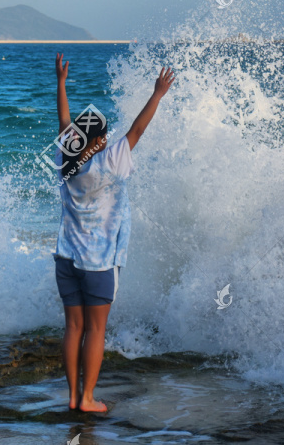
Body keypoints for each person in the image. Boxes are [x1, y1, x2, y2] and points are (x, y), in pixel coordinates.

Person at [52, 52, 175, 413]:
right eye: (104, 135)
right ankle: (88, 399)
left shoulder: (65, 160)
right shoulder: (111, 159)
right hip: (100, 263)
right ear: (101, 141)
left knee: (73, 328)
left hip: (65, 257)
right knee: (95, 331)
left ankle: (73, 396)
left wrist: (60, 83)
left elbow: (63, 121)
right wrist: (157, 94)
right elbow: (137, 129)